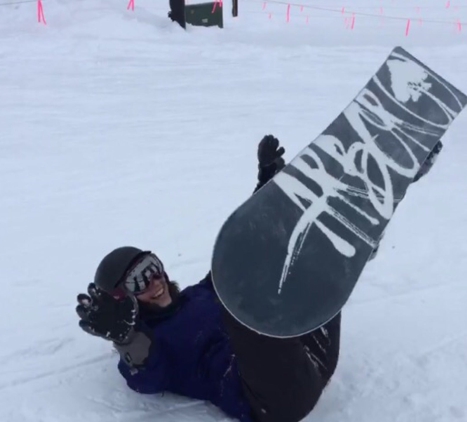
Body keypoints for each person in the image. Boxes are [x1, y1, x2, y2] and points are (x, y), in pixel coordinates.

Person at [76, 135, 442, 422]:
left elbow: (243, 248)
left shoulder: (201, 293)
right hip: (275, 398)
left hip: (311, 350)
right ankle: (337, 254)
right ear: (123, 301)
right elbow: (146, 379)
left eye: (152, 267)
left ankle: (388, 186)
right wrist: (126, 338)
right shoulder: (153, 343)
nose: (154, 280)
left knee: (281, 251)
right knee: (246, 297)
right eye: (139, 281)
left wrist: (266, 188)